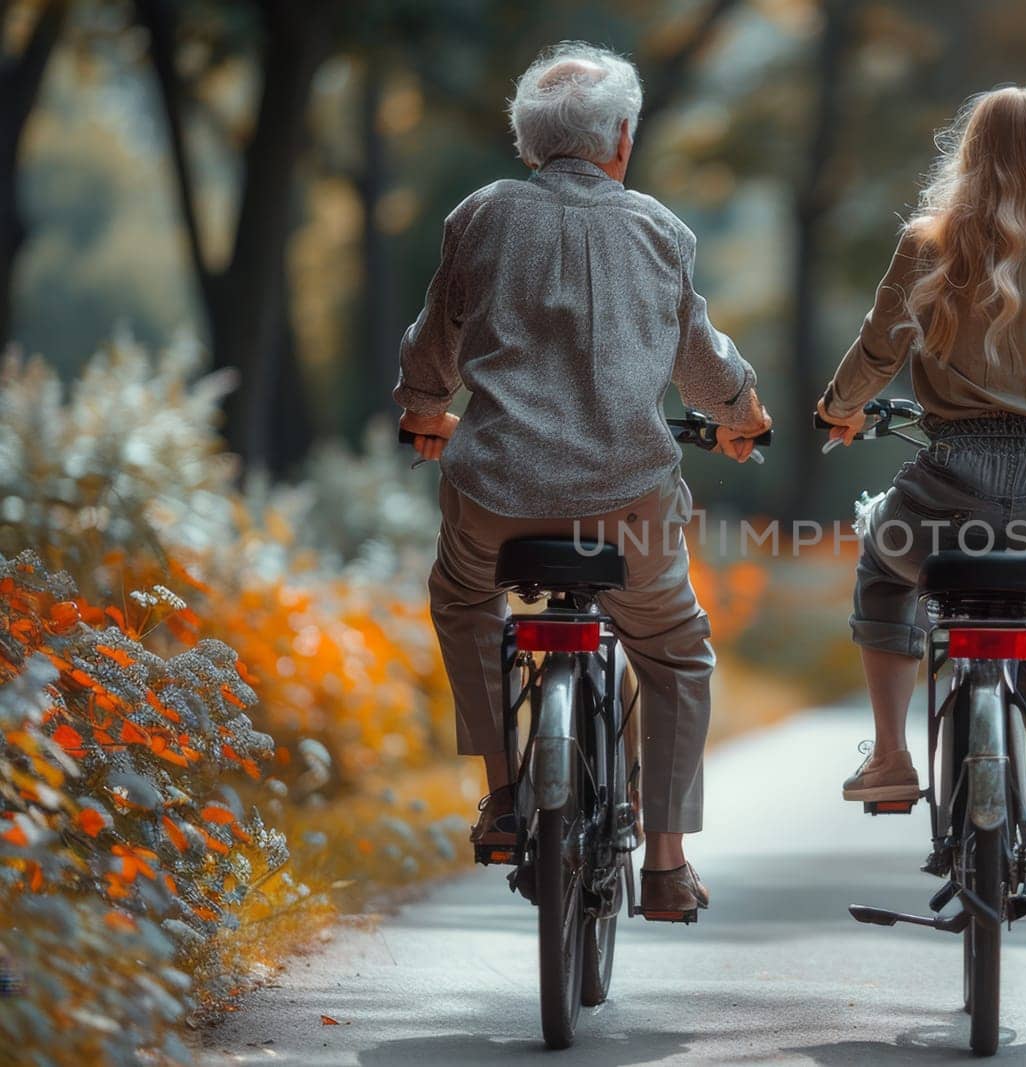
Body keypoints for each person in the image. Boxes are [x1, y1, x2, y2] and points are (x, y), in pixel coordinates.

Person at [395, 42, 771, 916]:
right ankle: (669, 862)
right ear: (622, 140)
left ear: (530, 143)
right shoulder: (660, 231)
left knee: (462, 599)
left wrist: (422, 409)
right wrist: (746, 417)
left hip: (496, 499)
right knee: (674, 649)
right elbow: (705, 366)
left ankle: (501, 791)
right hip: (626, 509)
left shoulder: (481, 217)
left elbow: (434, 341)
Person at [815, 86, 1026, 941]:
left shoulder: (931, 244)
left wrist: (840, 407)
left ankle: (890, 757)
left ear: (970, 152)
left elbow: (880, 346)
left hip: (946, 492)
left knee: (881, 558)